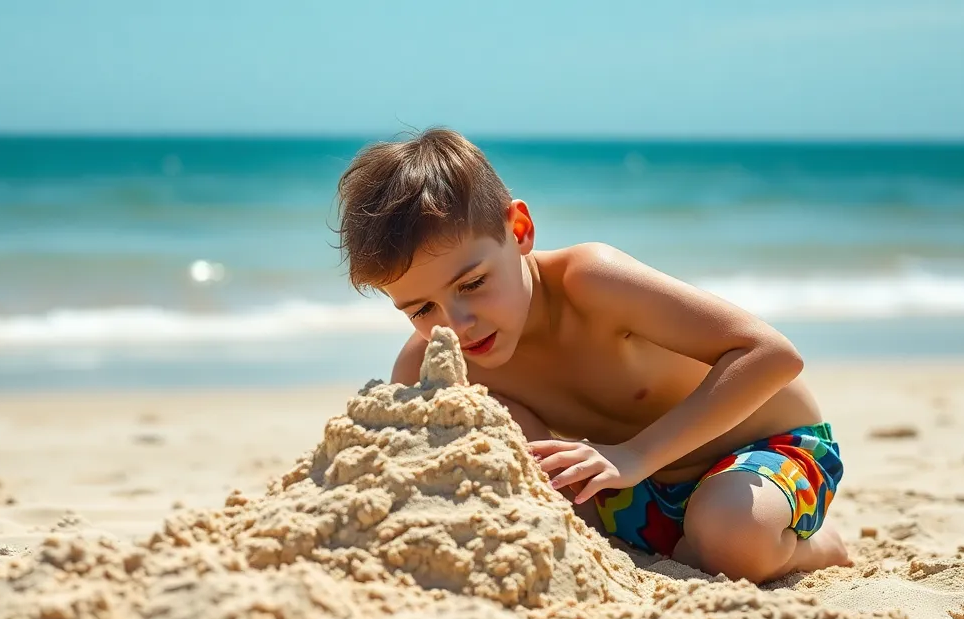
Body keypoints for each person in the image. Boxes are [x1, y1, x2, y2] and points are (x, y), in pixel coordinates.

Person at [334, 127, 851, 584]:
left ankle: (815, 550)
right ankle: (681, 545)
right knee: (483, 418)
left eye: (472, 283)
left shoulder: (591, 283)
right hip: (628, 487)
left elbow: (772, 354)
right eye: (421, 308)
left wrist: (636, 455)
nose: (456, 324)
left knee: (731, 533)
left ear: (518, 231)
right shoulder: (434, 362)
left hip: (764, 452)